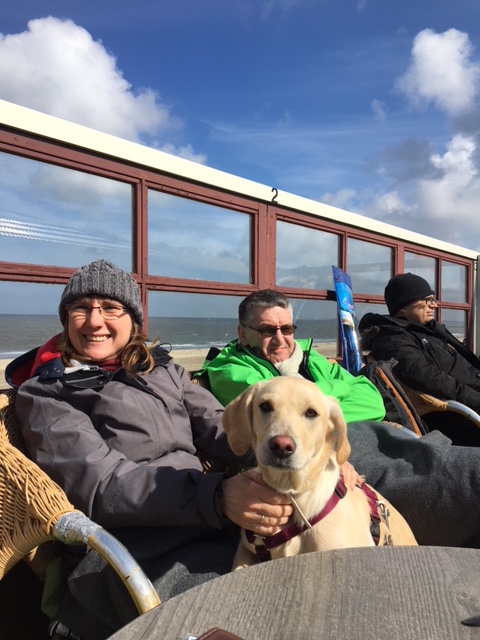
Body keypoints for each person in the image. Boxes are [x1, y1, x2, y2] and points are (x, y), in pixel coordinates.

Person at [6, 261, 297, 640]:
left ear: (133, 319)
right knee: (255, 610)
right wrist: (218, 497)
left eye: (110, 308)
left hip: (207, 524)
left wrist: (289, 453)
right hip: (127, 552)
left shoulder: (161, 369)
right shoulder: (47, 392)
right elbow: (102, 486)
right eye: (80, 308)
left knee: (302, 578)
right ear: (66, 319)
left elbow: (220, 426)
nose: (94, 321)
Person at [197, 288, 480, 551]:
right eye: (267, 330)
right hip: (326, 465)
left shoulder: (309, 357)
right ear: (242, 333)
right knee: (454, 480)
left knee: (440, 458)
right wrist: (334, 396)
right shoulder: (230, 370)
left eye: (287, 329)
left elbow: (371, 399)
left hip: (371, 435)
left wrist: (318, 406)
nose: (280, 339)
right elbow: (283, 412)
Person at [358, 272, 480, 443]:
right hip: (458, 415)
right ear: (403, 307)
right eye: (427, 300)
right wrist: (476, 399)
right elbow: (430, 379)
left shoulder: (428, 330)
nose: (434, 305)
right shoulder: (392, 340)